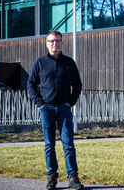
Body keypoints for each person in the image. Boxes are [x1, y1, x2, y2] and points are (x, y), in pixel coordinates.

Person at [27, 30, 84, 190]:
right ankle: (52, 178)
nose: (55, 44)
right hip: (47, 109)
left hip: (64, 109)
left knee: (68, 144)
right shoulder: (39, 62)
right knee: (49, 145)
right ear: (47, 43)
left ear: (62, 43)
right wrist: (40, 104)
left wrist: (70, 103)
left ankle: (73, 178)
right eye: (52, 41)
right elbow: (30, 84)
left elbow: (77, 85)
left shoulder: (69, 63)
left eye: (58, 41)